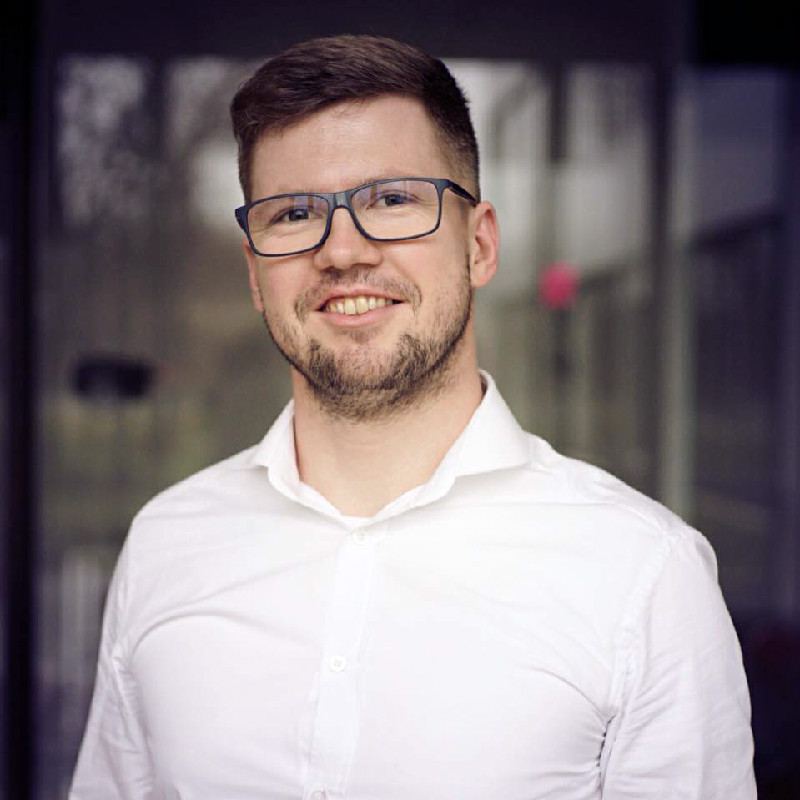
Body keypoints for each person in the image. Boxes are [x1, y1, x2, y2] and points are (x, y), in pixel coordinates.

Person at [70, 35, 756, 800]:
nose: (342, 252)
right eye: (293, 213)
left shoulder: (645, 577)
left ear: (480, 245)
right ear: (256, 275)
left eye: (392, 200)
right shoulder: (167, 545)